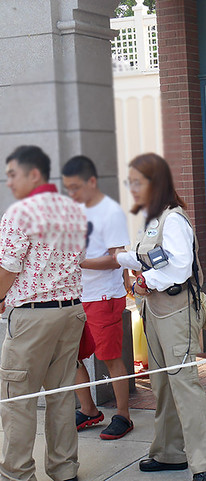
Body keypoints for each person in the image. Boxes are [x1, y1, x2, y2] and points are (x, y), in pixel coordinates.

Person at [115, 153, 206, 481]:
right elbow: (145, 255)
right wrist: (120, 258)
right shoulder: (152, 218)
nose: (132, 188)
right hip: (154, 311)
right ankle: (168, 453)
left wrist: (146, 280)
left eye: (137, 182)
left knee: (184, 384)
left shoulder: (173, 219)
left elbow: (178, 265)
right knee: (163, 384)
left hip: (175, 311)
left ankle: (205, 463)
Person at [0, 146, 87, 481]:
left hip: (33, 316)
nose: (9, 182)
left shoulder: (19, 213)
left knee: (17, 398)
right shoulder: (72, 209)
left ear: (33, 174)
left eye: (13, 174)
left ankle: (17, 474)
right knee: (61, 395)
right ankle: (65, 470)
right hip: (70, 312)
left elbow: (8, 268)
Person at [62, 155, 134, 440]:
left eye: (76, 187)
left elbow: (117, 259)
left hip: (104, 296)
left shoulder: (110, 212)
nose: (72, 194)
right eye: (68, 188)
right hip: (75, 296)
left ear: (92, 182)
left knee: (110, 358)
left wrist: (78, 262)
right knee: (73, 357)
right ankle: (89, 410)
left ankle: (124, 416)